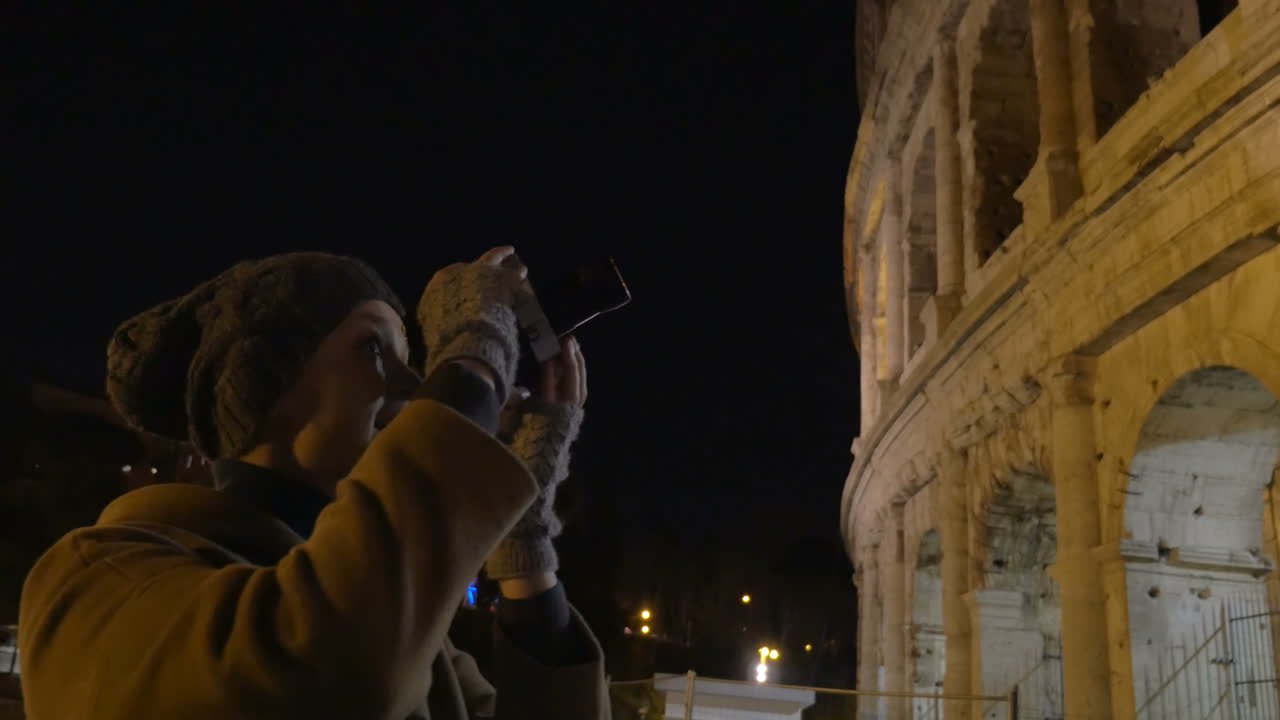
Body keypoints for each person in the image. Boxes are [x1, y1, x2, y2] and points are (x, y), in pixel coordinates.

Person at [17, 247, 609, 719]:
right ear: (264, 381)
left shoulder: (423, 650)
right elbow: (322, 677)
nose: (411, 385)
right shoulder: (99, 577)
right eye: (373, 347)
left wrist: (525, 548)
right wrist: (475, 362)